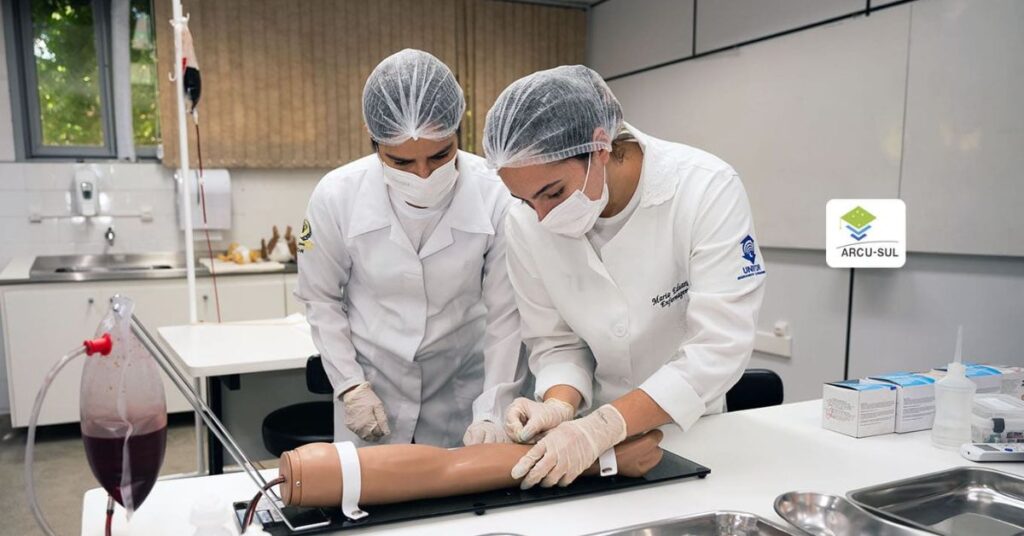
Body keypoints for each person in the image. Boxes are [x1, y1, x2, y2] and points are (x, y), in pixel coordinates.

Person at [481, 65, 767, 489]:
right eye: (524, 200)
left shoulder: (705, 188)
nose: (542, 216)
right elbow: (556, 341)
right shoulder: (524, 222)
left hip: (692, 428)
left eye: (553, 192)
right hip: (585, 445)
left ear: (599, 147)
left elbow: (718, 348)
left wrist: (605, 425)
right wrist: (560, 405)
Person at [295, 49, 526, 448]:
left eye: (440, 155)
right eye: (401, 161)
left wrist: (491, 408)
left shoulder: (496, 194)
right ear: (374, 142)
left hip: (462, 385)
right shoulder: (335, 196)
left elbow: (506, 316)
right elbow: (321, 300)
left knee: (463, 501)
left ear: (458, 130)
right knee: (368, 502)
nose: (423, 174)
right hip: (373, 385)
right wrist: (351, 387)